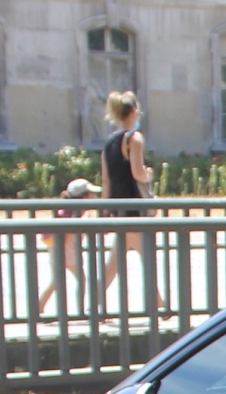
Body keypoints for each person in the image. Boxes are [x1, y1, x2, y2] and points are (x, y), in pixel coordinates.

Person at [97, 92, 167, 312]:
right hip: (135, 209)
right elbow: (138, 173)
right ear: (134, 111)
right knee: (146, 258)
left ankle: (94, 304)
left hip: (119, 209)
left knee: (115, 263)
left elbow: (106, 180)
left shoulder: (109, 143)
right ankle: (160, 306)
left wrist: (105, 209)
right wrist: (149, 174)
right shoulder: (134, 138)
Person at [34, 176, 99, 316]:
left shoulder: (67, 211)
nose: (95, 196)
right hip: (67, 252)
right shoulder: (75, 214)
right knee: (80, 280)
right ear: (84, 197)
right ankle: (80, 310)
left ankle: (39, 307)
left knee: (57, 281)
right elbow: (70, 235)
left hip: (59, 250)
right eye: (91, 194)